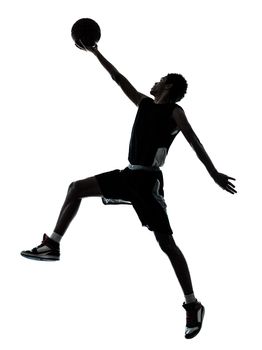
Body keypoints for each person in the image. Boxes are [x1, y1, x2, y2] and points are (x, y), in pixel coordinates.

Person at [21, 41, 237, 339]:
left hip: (148, 183)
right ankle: (53, 245)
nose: (155, 81)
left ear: (169, 87)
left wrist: (213, 173)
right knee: (75, 188)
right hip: (128, 176)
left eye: (161, 79)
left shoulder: (175, 112)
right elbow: (118, 79)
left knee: (167, 245)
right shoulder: (144, 104)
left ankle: (193, 305)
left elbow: (194, 142)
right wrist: (96, 52)